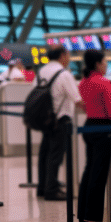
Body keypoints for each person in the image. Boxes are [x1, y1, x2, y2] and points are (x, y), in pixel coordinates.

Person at [77, 50, 111, 222]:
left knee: (89, 171)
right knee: (99, 174)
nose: (106, 65)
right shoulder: (104, 83)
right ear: (97, 64)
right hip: (104, 129)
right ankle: (94, 218)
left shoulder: (84, 83)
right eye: (104, 61)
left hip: (89, 126)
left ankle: (83, 215)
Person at [36, 46, 84, 201]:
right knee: (55, 155)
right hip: (60, 119)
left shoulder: (41, 72)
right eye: (68, 55)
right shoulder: (63, 74)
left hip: (44, 118)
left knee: (45, 153)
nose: (69, 58)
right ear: (63, 55)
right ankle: (52, 190)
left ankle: (42, 187)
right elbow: (77, 100)